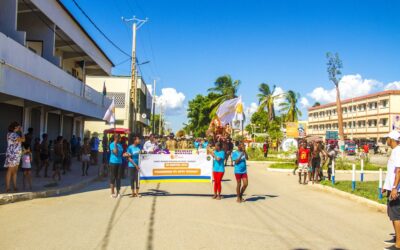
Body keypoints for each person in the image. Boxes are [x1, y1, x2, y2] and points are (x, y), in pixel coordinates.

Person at [382, 130, 400, 250]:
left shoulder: (398, 151)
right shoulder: (394, 151)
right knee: (392, 214)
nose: (386, 140)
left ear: (392, 140)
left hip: (396, 190)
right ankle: (397, 237)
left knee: (396, 215)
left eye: (387, 138)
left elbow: (399, 171)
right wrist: (386, 186)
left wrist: (394, 188)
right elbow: (391, 172)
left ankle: (398, 244)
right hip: (392, 188)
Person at [4, 122, 25, 192]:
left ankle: (15, 186)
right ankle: (8, 187)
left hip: (16, 155)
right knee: (10, 171)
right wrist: (22, 131)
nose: (19, 128)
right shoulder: (12, 134)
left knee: (15, 171)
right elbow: (23, 139)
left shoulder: (12, 134)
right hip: (12, 155)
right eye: (18, 127)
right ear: (15, 127)